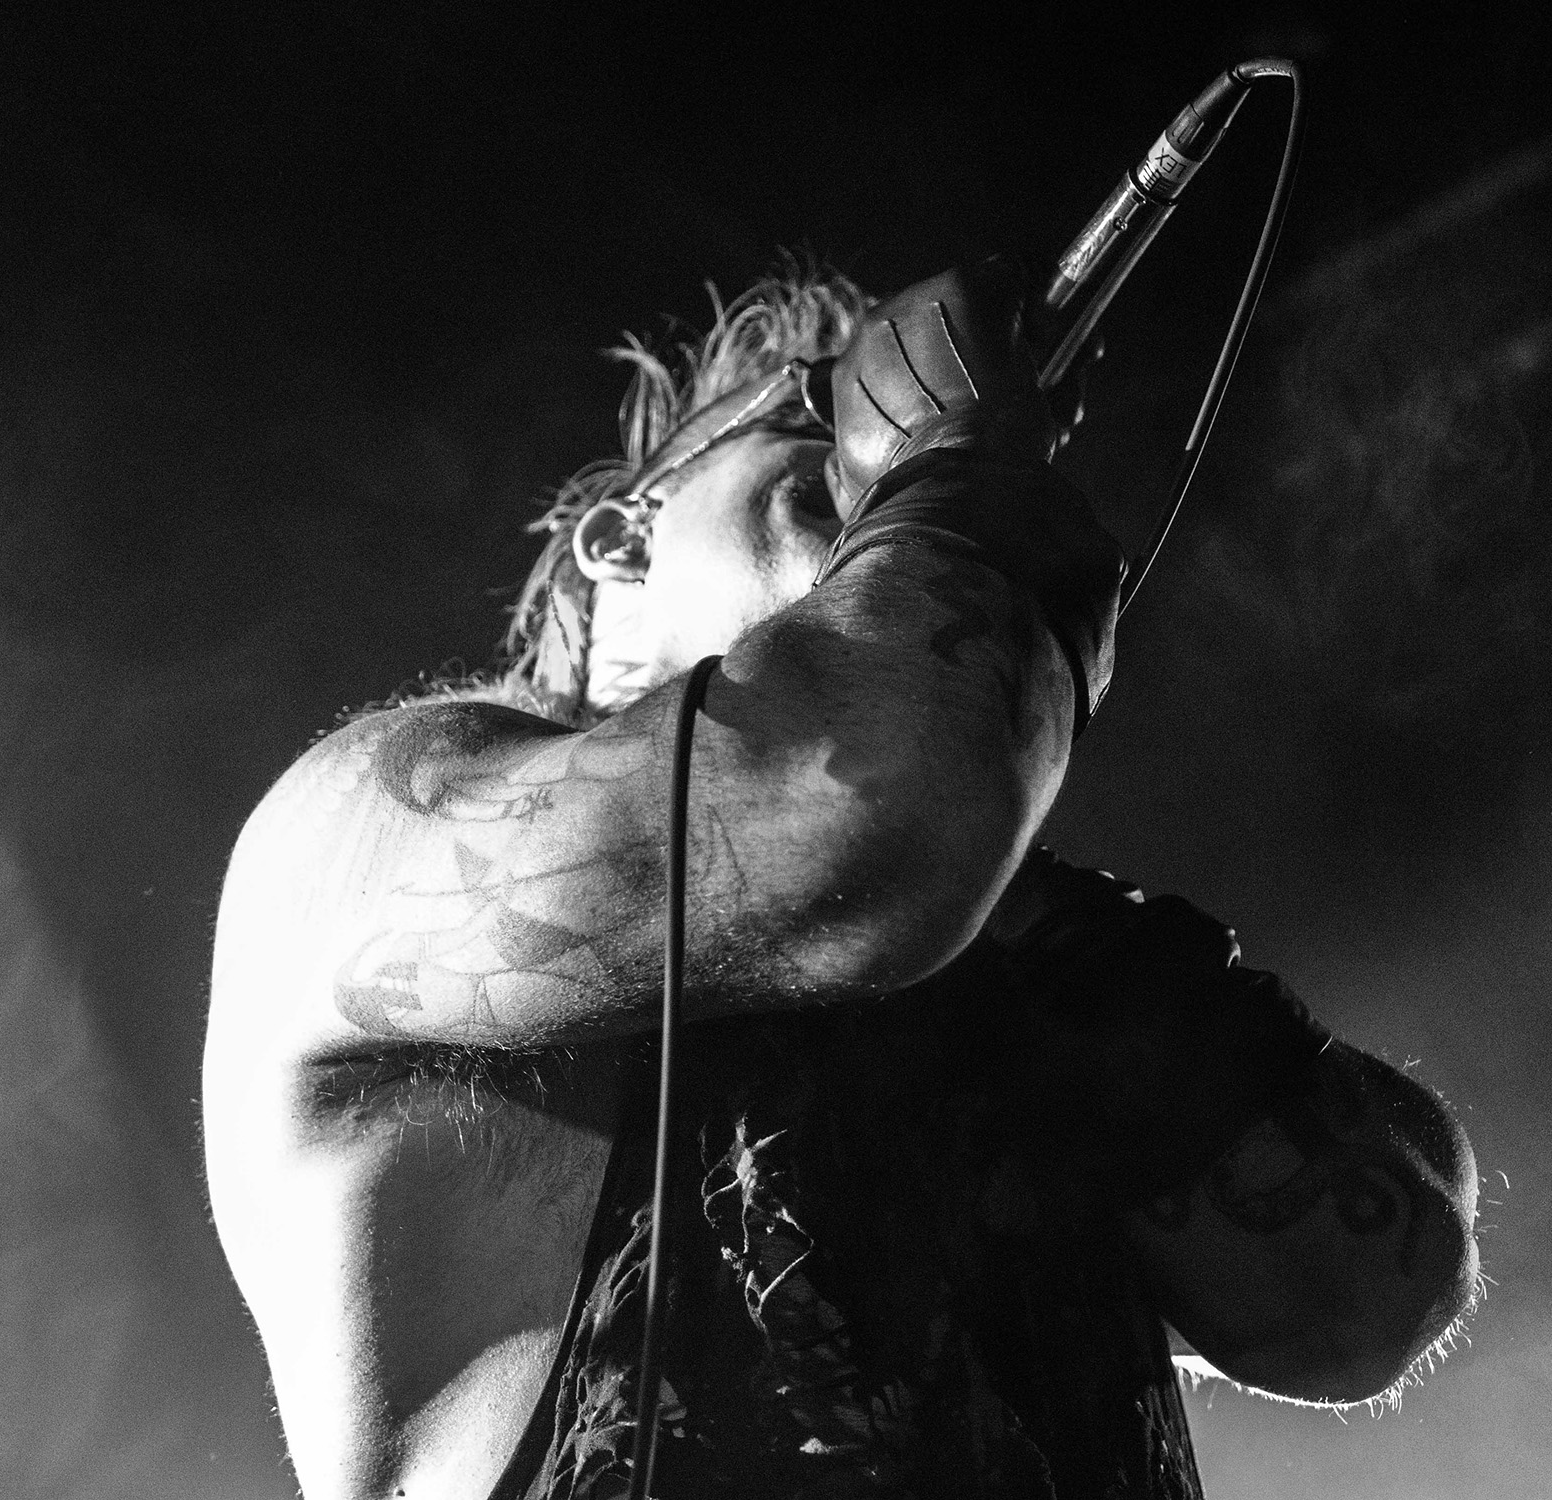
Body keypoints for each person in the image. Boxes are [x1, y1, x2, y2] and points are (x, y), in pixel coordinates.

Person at [203, 260, 1479, 1500]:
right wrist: (950, 466)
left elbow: (1356, 1301)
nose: (865, 447)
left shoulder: (1000, 943)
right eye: (821, 412)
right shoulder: (379, 809)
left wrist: (1084, 945)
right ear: (624, 533)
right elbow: (861, 800)